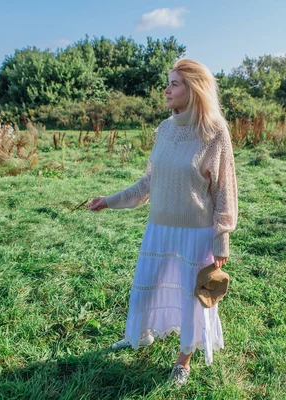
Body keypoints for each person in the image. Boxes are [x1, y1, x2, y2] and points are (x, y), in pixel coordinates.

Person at [88, 58, 238, 385]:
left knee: (191, 298)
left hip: (196, 234)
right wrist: (109, 201)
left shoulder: (215, 132)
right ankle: (140, 335)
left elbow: (225, 189)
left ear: (194, 90)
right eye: (168, 82)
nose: (166, 89)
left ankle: (183, 361)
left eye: (175, 83)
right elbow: (148, 184)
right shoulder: (165, 129)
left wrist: (221, 238)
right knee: (146, 289)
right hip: (158, 230)